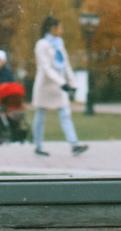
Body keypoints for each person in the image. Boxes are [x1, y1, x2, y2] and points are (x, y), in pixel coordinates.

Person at [30, 16, 88, 158]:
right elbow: (45, 68)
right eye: (60, 27)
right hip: (45, 85)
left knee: (65, 114)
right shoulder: (42, 44)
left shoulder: (59, 44)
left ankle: (74, 145)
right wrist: (62, 83)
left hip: (59, 86)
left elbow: (65, 65)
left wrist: (72, 83)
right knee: (40, 115)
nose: (62, 31)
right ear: (53, 28)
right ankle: (38, 146)